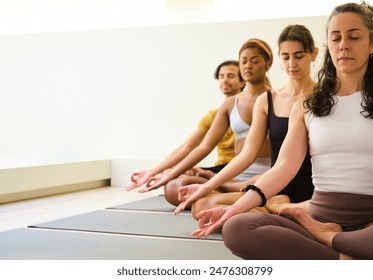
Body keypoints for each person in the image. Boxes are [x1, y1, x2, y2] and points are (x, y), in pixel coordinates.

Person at [192, 2, 373, 260]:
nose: (343, 45)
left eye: (354, 37)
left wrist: (324, 234)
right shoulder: (307, 106)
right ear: (328, 45)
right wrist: (234, 209)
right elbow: (282, 168)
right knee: (238, 228)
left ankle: (327, 238)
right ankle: (344, 257)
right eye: (336, 38)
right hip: (319, 213)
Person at [174, 24, 318, 218]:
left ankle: (281, 210)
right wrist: (209, 184)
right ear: (279, 57)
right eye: (286, 57)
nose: (292, 63)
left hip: (310, 186)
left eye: (299, 56)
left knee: (231, 212)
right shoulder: (268, 100)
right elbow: (247, 154)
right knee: (202, 206)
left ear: (313, 54)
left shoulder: (324, 96)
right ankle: (278, 211)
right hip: (275, 183)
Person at [133, 38, 274, 204]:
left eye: (255, 61)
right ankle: (232, 194)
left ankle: (230, 195)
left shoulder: (277, 99)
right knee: (174, 189)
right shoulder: (229, 105)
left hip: (266, 175)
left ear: (267, 63)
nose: (248, 66)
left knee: (207, 199)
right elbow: (203, 146)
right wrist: (165, 174)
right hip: (235, 175)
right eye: (244, 61)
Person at [126, 60, 244, 197]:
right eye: (221, 76)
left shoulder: (252, 109)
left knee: (178, 184)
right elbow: (186, 147)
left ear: (242, 82)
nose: (224, 80)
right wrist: (152, 172)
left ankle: (222, 188)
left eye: (230, 76)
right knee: (170, 175)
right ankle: (219, 187)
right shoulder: (213, 116)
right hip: (219, 168)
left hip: (239, 168)